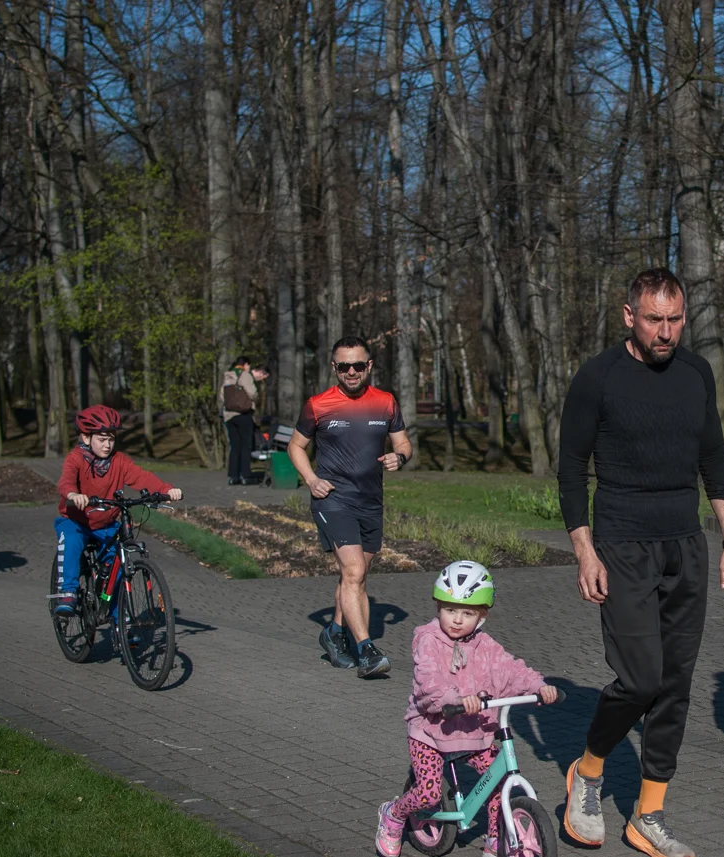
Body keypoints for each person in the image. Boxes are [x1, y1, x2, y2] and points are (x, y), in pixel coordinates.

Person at [557, 268, 724, 857]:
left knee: (675, 683)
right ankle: (587, 772)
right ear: (628, 316)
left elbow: (713, 457)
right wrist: (584, 551)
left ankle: (649, 813)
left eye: (676, 319)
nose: (666, 332)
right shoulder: (599, 378)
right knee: (638, 678)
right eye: (654, 320)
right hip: (622, 544)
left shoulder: (696, 374)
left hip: (684, 544)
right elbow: (570, 469)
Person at [374, 561, 558, 857]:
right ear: (438, 607)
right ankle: (393, 814)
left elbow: (510, 670)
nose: (457, 620)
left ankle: (495, 840)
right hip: (432, 730)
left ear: (482, 615)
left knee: (500, 784)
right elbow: (428, 680)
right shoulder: (428, 640)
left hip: (474, 729)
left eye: (467, 613)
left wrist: (538, 686)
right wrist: (454, 698)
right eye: (450, 610)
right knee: (429, 792)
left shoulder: (485, 646)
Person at [289, 335, 412, 679]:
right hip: (333, 500)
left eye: (359, 365)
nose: (352, 372)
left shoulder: (386, 402)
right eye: (344, 366)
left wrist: (399, 456)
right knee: (354, 571)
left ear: (369, 365)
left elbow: (403, 441)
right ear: (335, 368)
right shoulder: (318, 404)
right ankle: (366, 649)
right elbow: (296, 446)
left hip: (370, 501)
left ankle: (332, 634)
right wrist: (311, 480)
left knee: (354, 576)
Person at [53, 405, 183, 616]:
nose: (107, 445)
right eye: (102, 439)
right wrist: (73, 495)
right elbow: (66, 480)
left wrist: (165, 490)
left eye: (111, 439)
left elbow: (141, 476)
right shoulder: (75, 458)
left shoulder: (118, 460)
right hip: (78, 520)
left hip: (106, 523)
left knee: (116, 570)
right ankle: (68, 591)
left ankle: (120, 625)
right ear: (86, 438)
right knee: (71, 541)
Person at [219, 357, 270, 486]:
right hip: (243, 414)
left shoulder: (228, 375)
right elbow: (252, 393)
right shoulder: (245, 375)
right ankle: (245, 476)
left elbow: (221, 395)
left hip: (229, 415)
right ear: (245, 365)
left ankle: (233, 476)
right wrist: (254, 399)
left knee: (234, 446)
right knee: (246, 445)